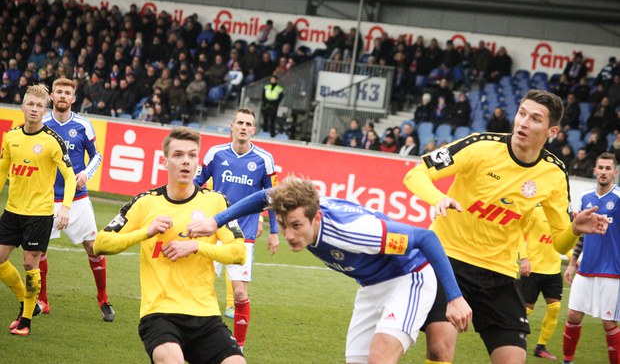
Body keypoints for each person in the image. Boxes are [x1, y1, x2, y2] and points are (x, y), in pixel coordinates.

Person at [403, 89, 610, 364]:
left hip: (499, 272)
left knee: (513, 359)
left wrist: (574, 229)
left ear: (552, 131)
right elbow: (415, 174)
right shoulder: (480, 145)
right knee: (440, 347)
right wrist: (438, 198)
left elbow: (560, 243)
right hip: (448, 259)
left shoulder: (554, 173)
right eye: (522, 114)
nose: (523, 122)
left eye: (535, 118)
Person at [185, 175, 472, 364]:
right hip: (371, 285)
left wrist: (455, 297)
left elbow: (425, 239)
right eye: (284, 226)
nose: (290, 235)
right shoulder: (299, 209)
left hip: (409, 277)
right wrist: (216, 221)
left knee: (379, 357)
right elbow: (265, 196)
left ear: (317, 217)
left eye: (297, 225)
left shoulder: (353, 231)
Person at [93, 127, 247, 364]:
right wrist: (146, 231)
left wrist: (196, 247)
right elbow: (100, 244)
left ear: (198, 162)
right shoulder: (145, 202)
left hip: (205, 314)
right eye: (178, 155)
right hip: (160, 314)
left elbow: (238, 253)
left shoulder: (216, 202)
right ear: (164, 161)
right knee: (171, 360)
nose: (186, 161)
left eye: (192, 155)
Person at [193, 108, 279, 349]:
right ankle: (196, 335)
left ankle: (238, 347)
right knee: (199, 287)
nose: (243, 127)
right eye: (240, 122)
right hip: (213, 231)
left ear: (254, 130)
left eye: (248, 124)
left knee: (240, 293)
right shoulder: (215, 154)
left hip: (243, 235)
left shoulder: (264, 160)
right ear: (232, 126)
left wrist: (274, 232)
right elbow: (196, 184)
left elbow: (272, 198)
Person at [0, 84, 77, 336]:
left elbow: (70, 177)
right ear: (22, 107)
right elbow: (3, 170)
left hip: (39, 214)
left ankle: (25, 322)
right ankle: (27, 301)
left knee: (29, 263)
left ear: (45, 110)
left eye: (39, 106)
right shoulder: (11, 137)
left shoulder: (53, 141)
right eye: (30, 104)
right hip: (12, 211)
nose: (34, 109)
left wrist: (65, 207)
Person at [38, 78, 114, 320]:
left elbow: (96, 156)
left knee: (93, 247)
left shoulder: (83, 125)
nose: (62, 95)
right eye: (58, 91)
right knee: (38, 251)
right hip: (46, 198)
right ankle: (43, 301)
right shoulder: (41, 124)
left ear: (73, 98)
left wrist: (86, 174)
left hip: (78, 198)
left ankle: (103, 298)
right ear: (52, 96)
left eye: (67, 92)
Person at [562, 152, 620, 364]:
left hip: (612, 271)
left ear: (614, 172)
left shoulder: (619, 198)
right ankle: (567, 361)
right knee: (573, 315)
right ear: (595, 171)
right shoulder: (586, 198)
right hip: (586, 268)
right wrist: (572, 264)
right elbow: (581, 234)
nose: (604, 172)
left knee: (609, 323)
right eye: (601, 168)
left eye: (608, 168)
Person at [518, 204, 565, 361]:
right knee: (525, 309)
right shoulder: (535, 212)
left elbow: (564, 242)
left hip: (553, 270)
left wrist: (573, 258)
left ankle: (541, 347)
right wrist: (524, 258)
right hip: (533, 269)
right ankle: (512, 340)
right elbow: (519, 233)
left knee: (555, 308)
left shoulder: (562, 216)